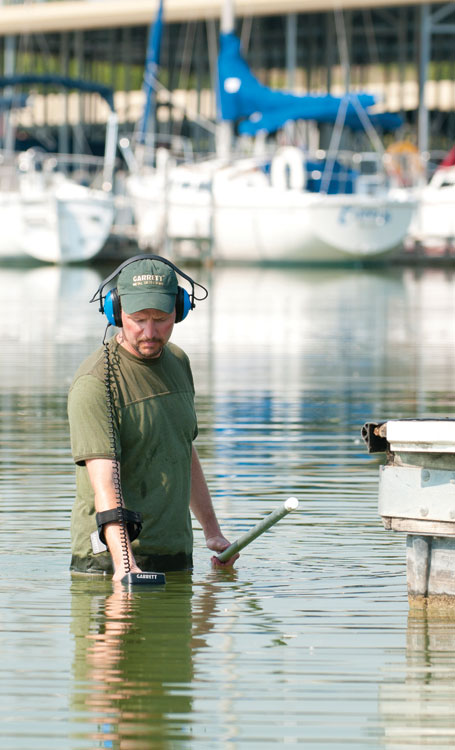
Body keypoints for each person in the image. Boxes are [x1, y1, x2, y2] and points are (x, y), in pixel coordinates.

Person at [68, 255, 238, 581]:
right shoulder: (94, 383)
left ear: (180, 309)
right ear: (116, 313)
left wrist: (212, 533)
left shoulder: (177, 360)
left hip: (174, 554)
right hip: (108, 566)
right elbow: (105, 483)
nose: (150, 331)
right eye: (138, 319)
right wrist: (125, 564)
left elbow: (181, 450)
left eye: (161, 319)